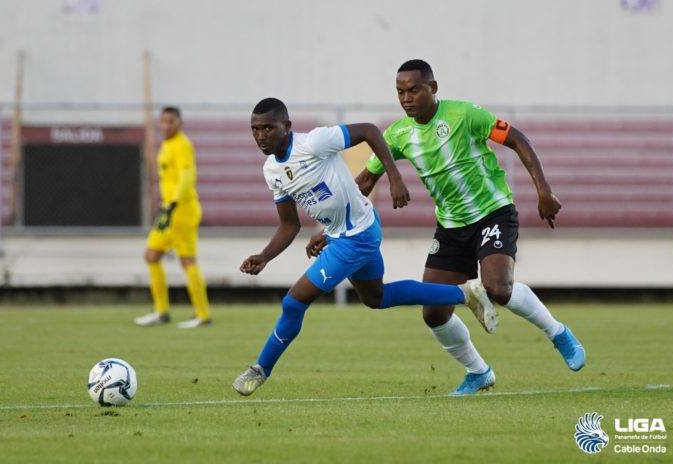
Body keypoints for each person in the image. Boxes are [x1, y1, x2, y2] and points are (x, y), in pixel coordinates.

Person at [323, 59, 585, 387]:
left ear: (433, 88)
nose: (406, 98)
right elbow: (364, 181)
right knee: (434, 312)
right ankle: (479, 372)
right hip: (450, 226)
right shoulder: (398, 134)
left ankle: (558, 333)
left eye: (414, 90)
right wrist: (332, 227)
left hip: (493, 212)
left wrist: (543, 190)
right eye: (400, 92)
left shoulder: (464, 114)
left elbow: (517, 139)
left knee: (498, 289)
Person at [232, 98, 495, 397]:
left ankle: (260, 369)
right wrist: (265, 256)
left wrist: (394, 177)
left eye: (268, 128)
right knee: (376, 297)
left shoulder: (315, 142)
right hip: (347, 233)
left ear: (287, 126)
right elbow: (289, 225)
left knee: (293, 302)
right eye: (255, 129)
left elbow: (369, 130)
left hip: (356, 237)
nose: (261, 135)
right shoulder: (271, 170)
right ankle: (465, 293)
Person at [134, 106, 212, 329]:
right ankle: (161, 311)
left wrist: (174, 202)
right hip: (168, 210)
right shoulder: (167, 144)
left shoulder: (183, 145)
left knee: (187, 260)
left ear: (180, 123)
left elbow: (187, 176)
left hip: (182, 210)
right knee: (151, 255)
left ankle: (203, 314)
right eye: (164, 121)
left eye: (171, 121)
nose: (167, 125)